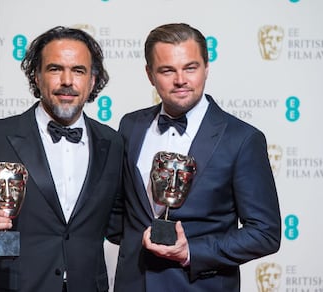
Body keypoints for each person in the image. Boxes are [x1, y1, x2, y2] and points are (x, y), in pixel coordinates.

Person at [0, 26, 123, 292]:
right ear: (37, 77)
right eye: (54, 69)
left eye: (78, 70)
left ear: (92, 81)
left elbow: (119, 222)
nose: (67, 80)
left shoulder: (113, 142)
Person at [110, 23, 281, 292]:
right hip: (133, 283)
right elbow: (118, 212)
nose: (180, 80)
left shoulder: (242, 139)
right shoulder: (130, 125)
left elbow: (265, 233)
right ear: (149, 74)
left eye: (190, 67)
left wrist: (192, 251)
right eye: (167, 70)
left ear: (206, 67)